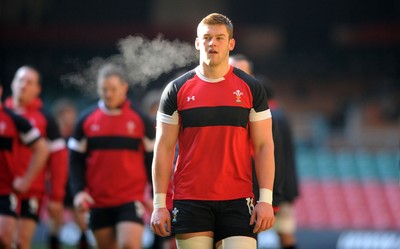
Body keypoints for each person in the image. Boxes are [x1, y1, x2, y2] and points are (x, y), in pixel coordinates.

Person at [150, 13, 275, 249]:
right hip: (190, 200)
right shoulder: (176, 90)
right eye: (206, 37)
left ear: (231, 44)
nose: (212, 43)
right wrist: (159, 204)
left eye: (219, 38)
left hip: (238, 200)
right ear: (197, 43)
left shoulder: (251, 88)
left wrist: (265, 200)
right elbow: (163, 148)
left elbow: (264, 146)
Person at [68, 64, 155, 249]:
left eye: (113, 89)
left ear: (124, 88)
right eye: (103, 89)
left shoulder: (140, 120)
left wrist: (155, 195)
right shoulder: (85, 120)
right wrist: (78, 191)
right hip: (98, 200)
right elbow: (75, 161)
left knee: (129, 244)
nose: (108, 94)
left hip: (131, 199)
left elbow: (152, 160)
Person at [229, 54, 300, 249]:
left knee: (282, 233)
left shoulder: (268, 115)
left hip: (266, 189)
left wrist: (273, 196)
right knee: (284, 233)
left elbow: (273, 154)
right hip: (276, 188)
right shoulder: (280, 114)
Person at [5, 66, 68, 249]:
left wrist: (56, 197)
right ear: (12, 84)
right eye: (20, 80)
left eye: (29, 82)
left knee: (21, 242)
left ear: (37, 89)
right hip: (3, 189)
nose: (23, 85)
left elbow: (59, 160)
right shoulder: (3, 115)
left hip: (31, 191)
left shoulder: (45, 118)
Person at [0, 81, 49, 249]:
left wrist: (27, 180)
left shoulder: (14, 120)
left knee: (8, 238)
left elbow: (42, 149)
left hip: (6, 189)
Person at [52, 99, 90, 249]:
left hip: (73, 184)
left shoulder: (77, 135)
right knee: (55, 224)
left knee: (82, 224)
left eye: (73, 114)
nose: (71, 118)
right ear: (60, 116)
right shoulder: (54, 136)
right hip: (58, 185)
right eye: (68, 114)